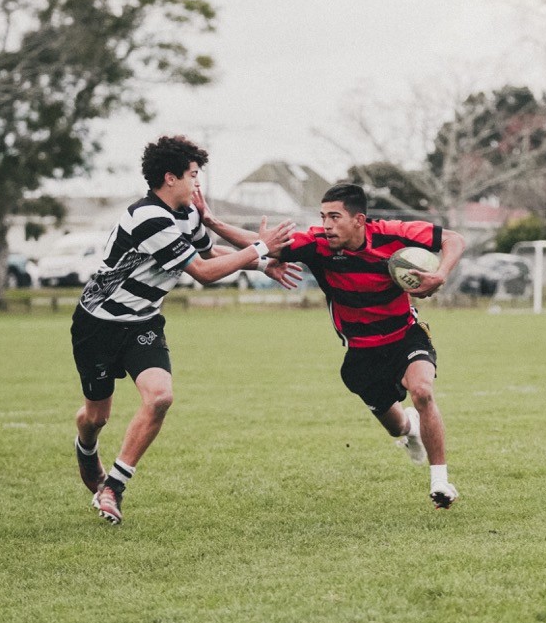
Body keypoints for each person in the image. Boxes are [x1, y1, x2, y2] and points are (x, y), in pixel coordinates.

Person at [197, 182, 466, 510]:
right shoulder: (317, 245)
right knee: (396, 425)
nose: (326, 224)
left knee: (422, 391)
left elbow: (454, 239)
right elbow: (261, 246)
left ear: (359, 220)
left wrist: (441, 273)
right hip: (361, 351)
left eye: (334, 217)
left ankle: (440, 482)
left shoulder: (394, 233)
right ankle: (410, 430)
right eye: (323, 216)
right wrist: (211, 222)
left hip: (404, 335)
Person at [72, 135, 297, 525]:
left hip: (143, 322)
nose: (198, 183)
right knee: (96, 417)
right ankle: (86, 446)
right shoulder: (149, 217)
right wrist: (260, 249)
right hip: (99, 326)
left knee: (159, 397)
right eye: (193, 175)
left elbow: (209, 254)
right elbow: (205, 273)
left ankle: (114, 488)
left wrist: (261, 265)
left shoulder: (187, 214)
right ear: (169, 177)